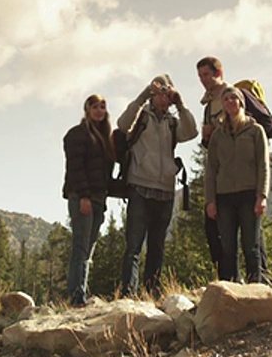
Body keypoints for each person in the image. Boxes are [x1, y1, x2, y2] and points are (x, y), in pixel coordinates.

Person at [117, 74, 197, 298]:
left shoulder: (173, 122)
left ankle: (151, 292)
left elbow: (191, 132)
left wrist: (180, 104)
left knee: (157, 247)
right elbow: (123, 125)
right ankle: (128, 294)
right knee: (133, 246)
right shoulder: (141, 116)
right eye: (160, 91)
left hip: (165, 189)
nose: (164, 95)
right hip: (140, 186)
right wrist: (144, 95)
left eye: (167, 91)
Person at [204, 86, 272, 284]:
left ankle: (257, 288)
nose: (230, 102)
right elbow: (211, 170)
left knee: (251, 245)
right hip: (224, 196)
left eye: (234, 98)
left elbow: (263, 166)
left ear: (241, 102)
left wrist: (262, 195)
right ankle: (234, 290)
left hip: (249, 194)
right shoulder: (218, 135)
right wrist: (210, 200)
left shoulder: (255, 131)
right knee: (228, 248)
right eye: (226, 99)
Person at [62, 94, 115, 307]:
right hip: (82, 197)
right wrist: (83, 195)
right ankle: (76, 296)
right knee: (81, 247)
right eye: (95, 107)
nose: (99, 111)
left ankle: (80, 292)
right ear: (86, 109)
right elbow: (75, 167)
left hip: (98, 198)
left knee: (89, 247)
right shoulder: (78, 135)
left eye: (103, 107)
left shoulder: (105, 137)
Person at [196, 56, 229, 277]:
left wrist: (215, 129)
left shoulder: (231, 96)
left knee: (241, 229)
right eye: (200, 76)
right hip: (217, 171)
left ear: (218, 73)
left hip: (233, 172)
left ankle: (256, 276)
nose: (203, 80)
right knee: (213, 228)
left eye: (206, 75)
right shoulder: (208, 104)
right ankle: (225, 276)